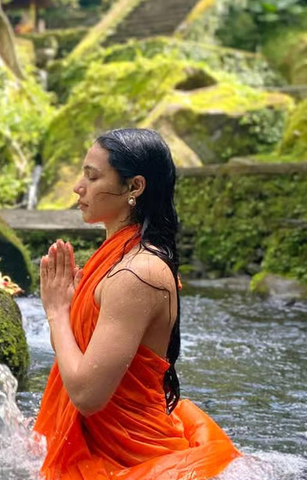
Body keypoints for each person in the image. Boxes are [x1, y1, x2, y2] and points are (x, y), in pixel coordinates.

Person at [33, 129, 240, 480]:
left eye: (92, 176)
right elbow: (75, 359)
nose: (78, 187)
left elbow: (86, 394)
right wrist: (64, 313)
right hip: (105, 449)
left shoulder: (136, 274)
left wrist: (55, 312)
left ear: (135, 187)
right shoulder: (114, 259)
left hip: (135, 462)